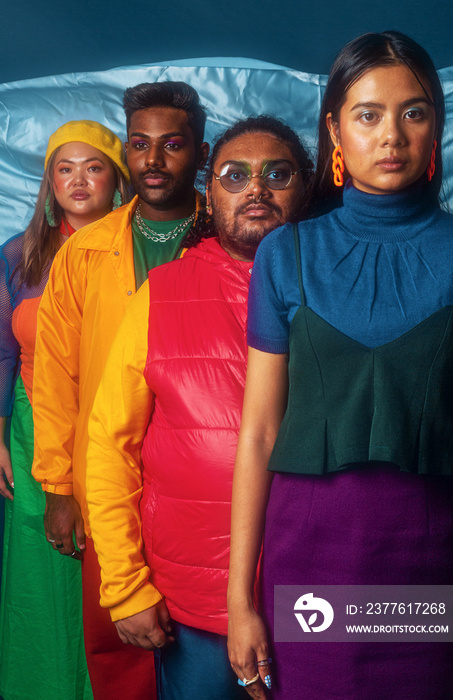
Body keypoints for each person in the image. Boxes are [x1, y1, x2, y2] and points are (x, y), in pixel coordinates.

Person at [228, 31, 453, 700]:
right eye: (368, 114)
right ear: (334, 129)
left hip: (432, 559)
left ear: (436, 127)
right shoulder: (285, 253)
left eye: (414, 112)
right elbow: (259, 435)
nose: (391, 134)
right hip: (310, 561)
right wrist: (240, 599)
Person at [85, 116, 313, 700]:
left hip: (315, 590)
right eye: (236, 176)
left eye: (277, 174)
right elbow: (110, 444)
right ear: (208, 195)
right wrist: (127, 586)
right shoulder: (160, 293)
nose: (256, 189)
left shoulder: (337, 288)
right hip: (193, 602)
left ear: (306, 188)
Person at [31, 82, 210, 700]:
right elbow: (55, 377)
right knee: (118, 645)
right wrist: (58, 487)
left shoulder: (229, 236)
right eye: (139, 145)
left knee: (208, 639)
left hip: (204, 478)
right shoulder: (84, 252)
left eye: (172, 144)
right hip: (108, 475)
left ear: (200, 152)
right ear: (127, 154)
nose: (153, 161)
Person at [0, 119, 130, 700]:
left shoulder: (135, 250)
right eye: (64, 168)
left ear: (117, 180)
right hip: (34, 430)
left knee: (112, 562)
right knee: (43, 570)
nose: (78, 181)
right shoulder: (18, 256)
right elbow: (2, 349)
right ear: (49, 183)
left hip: (115, 424)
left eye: (94, 166)